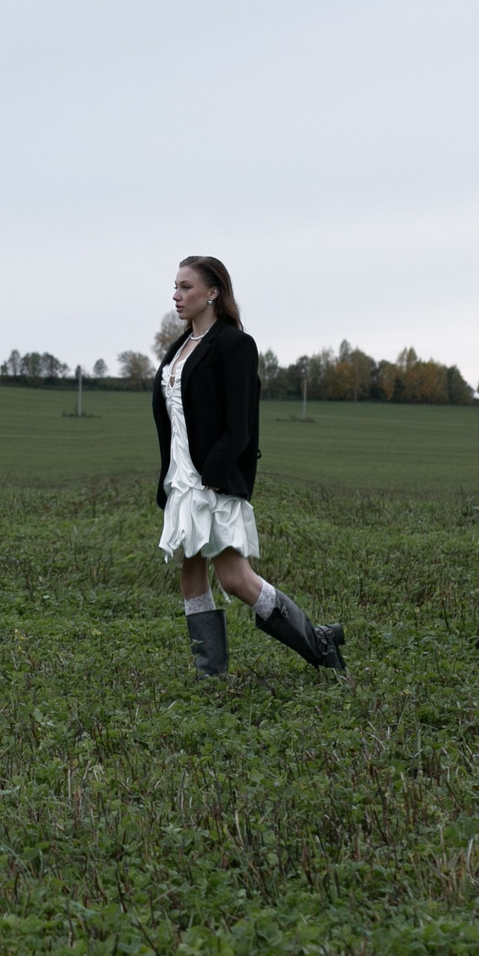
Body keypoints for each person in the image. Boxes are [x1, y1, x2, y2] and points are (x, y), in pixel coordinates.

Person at [153, 255, 345, 677]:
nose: (176, 295)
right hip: (181, 482)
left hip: (213, 482)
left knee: (236, 579)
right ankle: (211, 673)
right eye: (175, 286)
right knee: (190, 572)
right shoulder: (178, 349)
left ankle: (319, 644)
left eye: (186, 287)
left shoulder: (235, 345)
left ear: (213, 292)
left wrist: (214, 478)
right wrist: (168, 478)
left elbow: (240, 428)